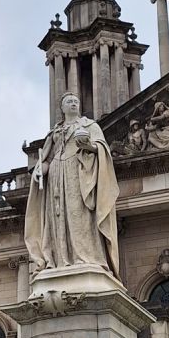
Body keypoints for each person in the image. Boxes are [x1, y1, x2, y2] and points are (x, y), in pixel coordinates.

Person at [25, 92, 120, 277]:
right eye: (69, 101)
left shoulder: (89, 126)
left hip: (79, 174)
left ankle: (85, 257)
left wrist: (88, 146)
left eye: (76, 101)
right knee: (59, 218)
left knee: (79, 215)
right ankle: (61, 259)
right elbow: (47, 157)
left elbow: (101, 147)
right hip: (56, 176)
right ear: (62, 108)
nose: (73, 103)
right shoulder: (54, 132)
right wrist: (40, 169)